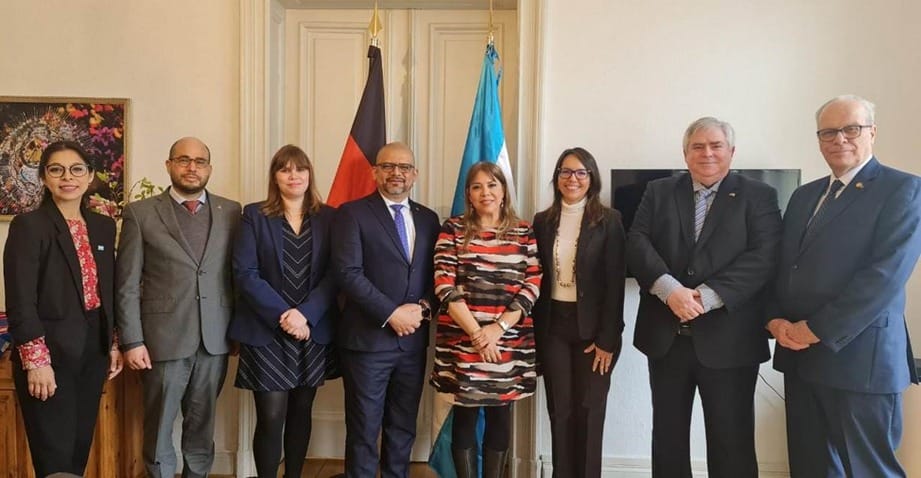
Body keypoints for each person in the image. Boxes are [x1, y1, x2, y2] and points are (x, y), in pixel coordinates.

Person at [767, 95, 921, 477]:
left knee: (869, 470)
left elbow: (883, 278)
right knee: (810, 466)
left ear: (872, 132)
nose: (840, 139)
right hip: (800, 357)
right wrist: (774, 319)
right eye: (828, 132)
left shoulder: (904, 190)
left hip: (860, 361)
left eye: (851, 129)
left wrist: (816, 329)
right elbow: (783, 266)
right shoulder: (805, 196)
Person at [626, 117, 782, 478]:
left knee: (733, 442)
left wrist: (705, 297)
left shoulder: (759, 195)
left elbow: (764, 257)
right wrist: (670, 291)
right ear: (685, 153)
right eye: (698, 146)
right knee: (667, 440)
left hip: (731, 343)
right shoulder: (659, 191)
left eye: (716, 146)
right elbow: (637, 241)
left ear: (732, 152)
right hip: (666, 340)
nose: (707, 153)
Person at [116, 137, 241, 478]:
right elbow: (126, 283)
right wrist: (132, 340)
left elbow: (237, 276)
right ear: (169, 165)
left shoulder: (231, 211)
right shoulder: (140, 214)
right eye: (183, 160)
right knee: (158, 427)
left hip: (214, 340)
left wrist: (238, 332)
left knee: (202, 426)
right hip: (161, 341)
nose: (192, 167)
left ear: (209, 169)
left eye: (200, 161)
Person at [3, 140, 123, 477]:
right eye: (56, 170)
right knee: (53, 457)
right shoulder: (29, 226)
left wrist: (113, 342)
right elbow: (20, 300)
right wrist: (36, 362)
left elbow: (107, 291)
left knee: (76, 453)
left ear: (89, 177)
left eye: (76, 170)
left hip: (92, 354)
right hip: (49, 356)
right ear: (43, 177)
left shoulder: (103, 225)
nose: (67, 177)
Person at [227, 145, 338, 478]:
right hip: (267, 330)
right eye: (285, 169)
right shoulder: (254, 215)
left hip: (311, 329)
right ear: (275, 176)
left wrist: (305, 315)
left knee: (302, 412)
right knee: (271, 415)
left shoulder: (329, 217)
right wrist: (285, 316)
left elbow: (337, 273)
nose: (294, 176)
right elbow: (245, 272)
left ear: (309, 175)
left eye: (300, 169)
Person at [332, 142, 440, 478]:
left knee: (403, 426)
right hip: (367, 342)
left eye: (405, 167)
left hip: (412, 344)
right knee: (364, 430)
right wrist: (392, 314)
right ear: (375, 171)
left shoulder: (428, 219)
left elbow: (439, 275)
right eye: (389, 166)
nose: (397, 173)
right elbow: (347, 273)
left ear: (415, 174)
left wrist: (422, 309)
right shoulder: (352, 213)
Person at [431, 161, 541, 478]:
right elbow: (444, 284)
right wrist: (478, 335)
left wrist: (497, 329)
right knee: (465, 417)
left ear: (504, 190)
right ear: (468, 194)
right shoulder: (452, 229)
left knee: (500, 416)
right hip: (463, 341)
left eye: (492, 185)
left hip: (509, 343)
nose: (486, 192)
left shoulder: (524, 231)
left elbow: (532, 283)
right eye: (477, 186)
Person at [532, 147, 626, 478]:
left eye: (580, 172)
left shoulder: (609, 221)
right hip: (553, 326)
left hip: (595, 332)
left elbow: (615, 285)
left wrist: (608, 340)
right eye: (565, 172)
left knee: (590, 411)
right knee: (561, 411)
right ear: (556, 178)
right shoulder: (542, 221)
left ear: (592, 178)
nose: (573, 179)